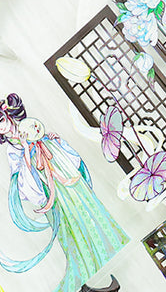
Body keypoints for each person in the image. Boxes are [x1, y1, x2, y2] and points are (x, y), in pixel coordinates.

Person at [0, 93, 128, 292]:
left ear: (7, 115)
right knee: (72, 231)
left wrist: (55, 140)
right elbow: (22, 183)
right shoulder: (11, 149)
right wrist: (25, 151)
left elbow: (51, 145)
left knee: (90, 216)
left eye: (1, 120)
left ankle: (101, 272)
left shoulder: (30, 125)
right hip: (49, 187)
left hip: (64, 173)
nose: (2, 126)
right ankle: (87, 279)